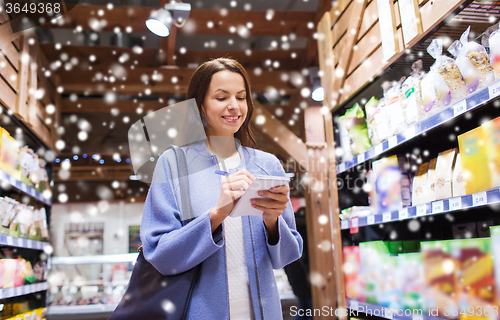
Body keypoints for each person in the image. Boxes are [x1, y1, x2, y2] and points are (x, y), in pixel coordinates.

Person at [140, 58, 303, 320]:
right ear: (199, 106)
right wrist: (216, 214)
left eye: (241, 97)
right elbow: (159, 253)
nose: (234, 106)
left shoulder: (267, 164)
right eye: (221, 97)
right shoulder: (173, 164)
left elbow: (287, 256)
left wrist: (272, 221)